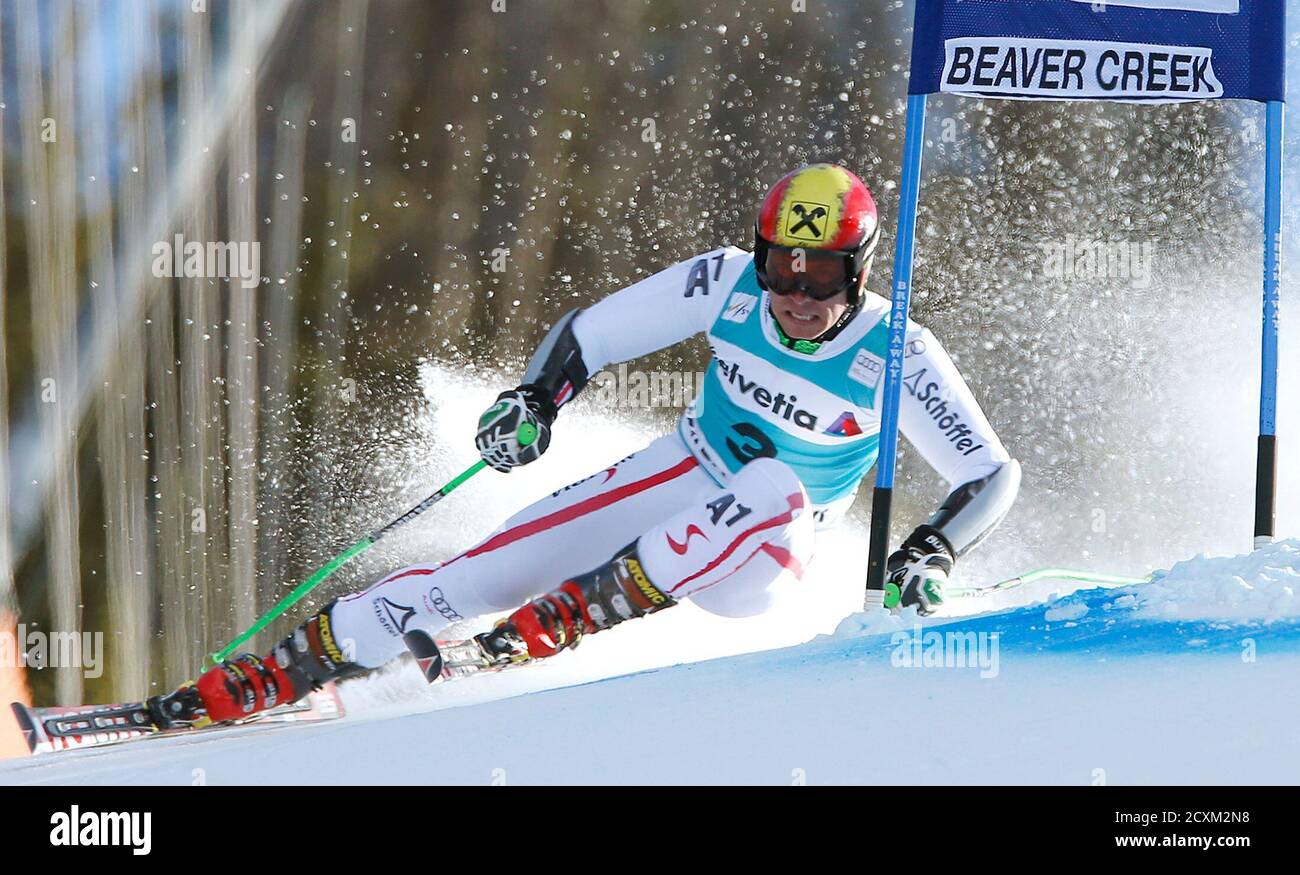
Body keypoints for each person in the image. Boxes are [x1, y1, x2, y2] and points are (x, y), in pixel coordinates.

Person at [183, 163, 1021, 725]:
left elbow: (989, 471)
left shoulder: (895, 348)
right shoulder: (725, 282)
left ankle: (568, 616)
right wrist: (534, 401)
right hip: (685, 470)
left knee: (773, 486)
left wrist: (934, 548)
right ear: (762, 256)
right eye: (784, 267)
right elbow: (591, 334)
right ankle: (280, 671)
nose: (798, 293)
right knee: (477, 574)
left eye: (824, 274)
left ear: (860, 272)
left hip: (767, 557)